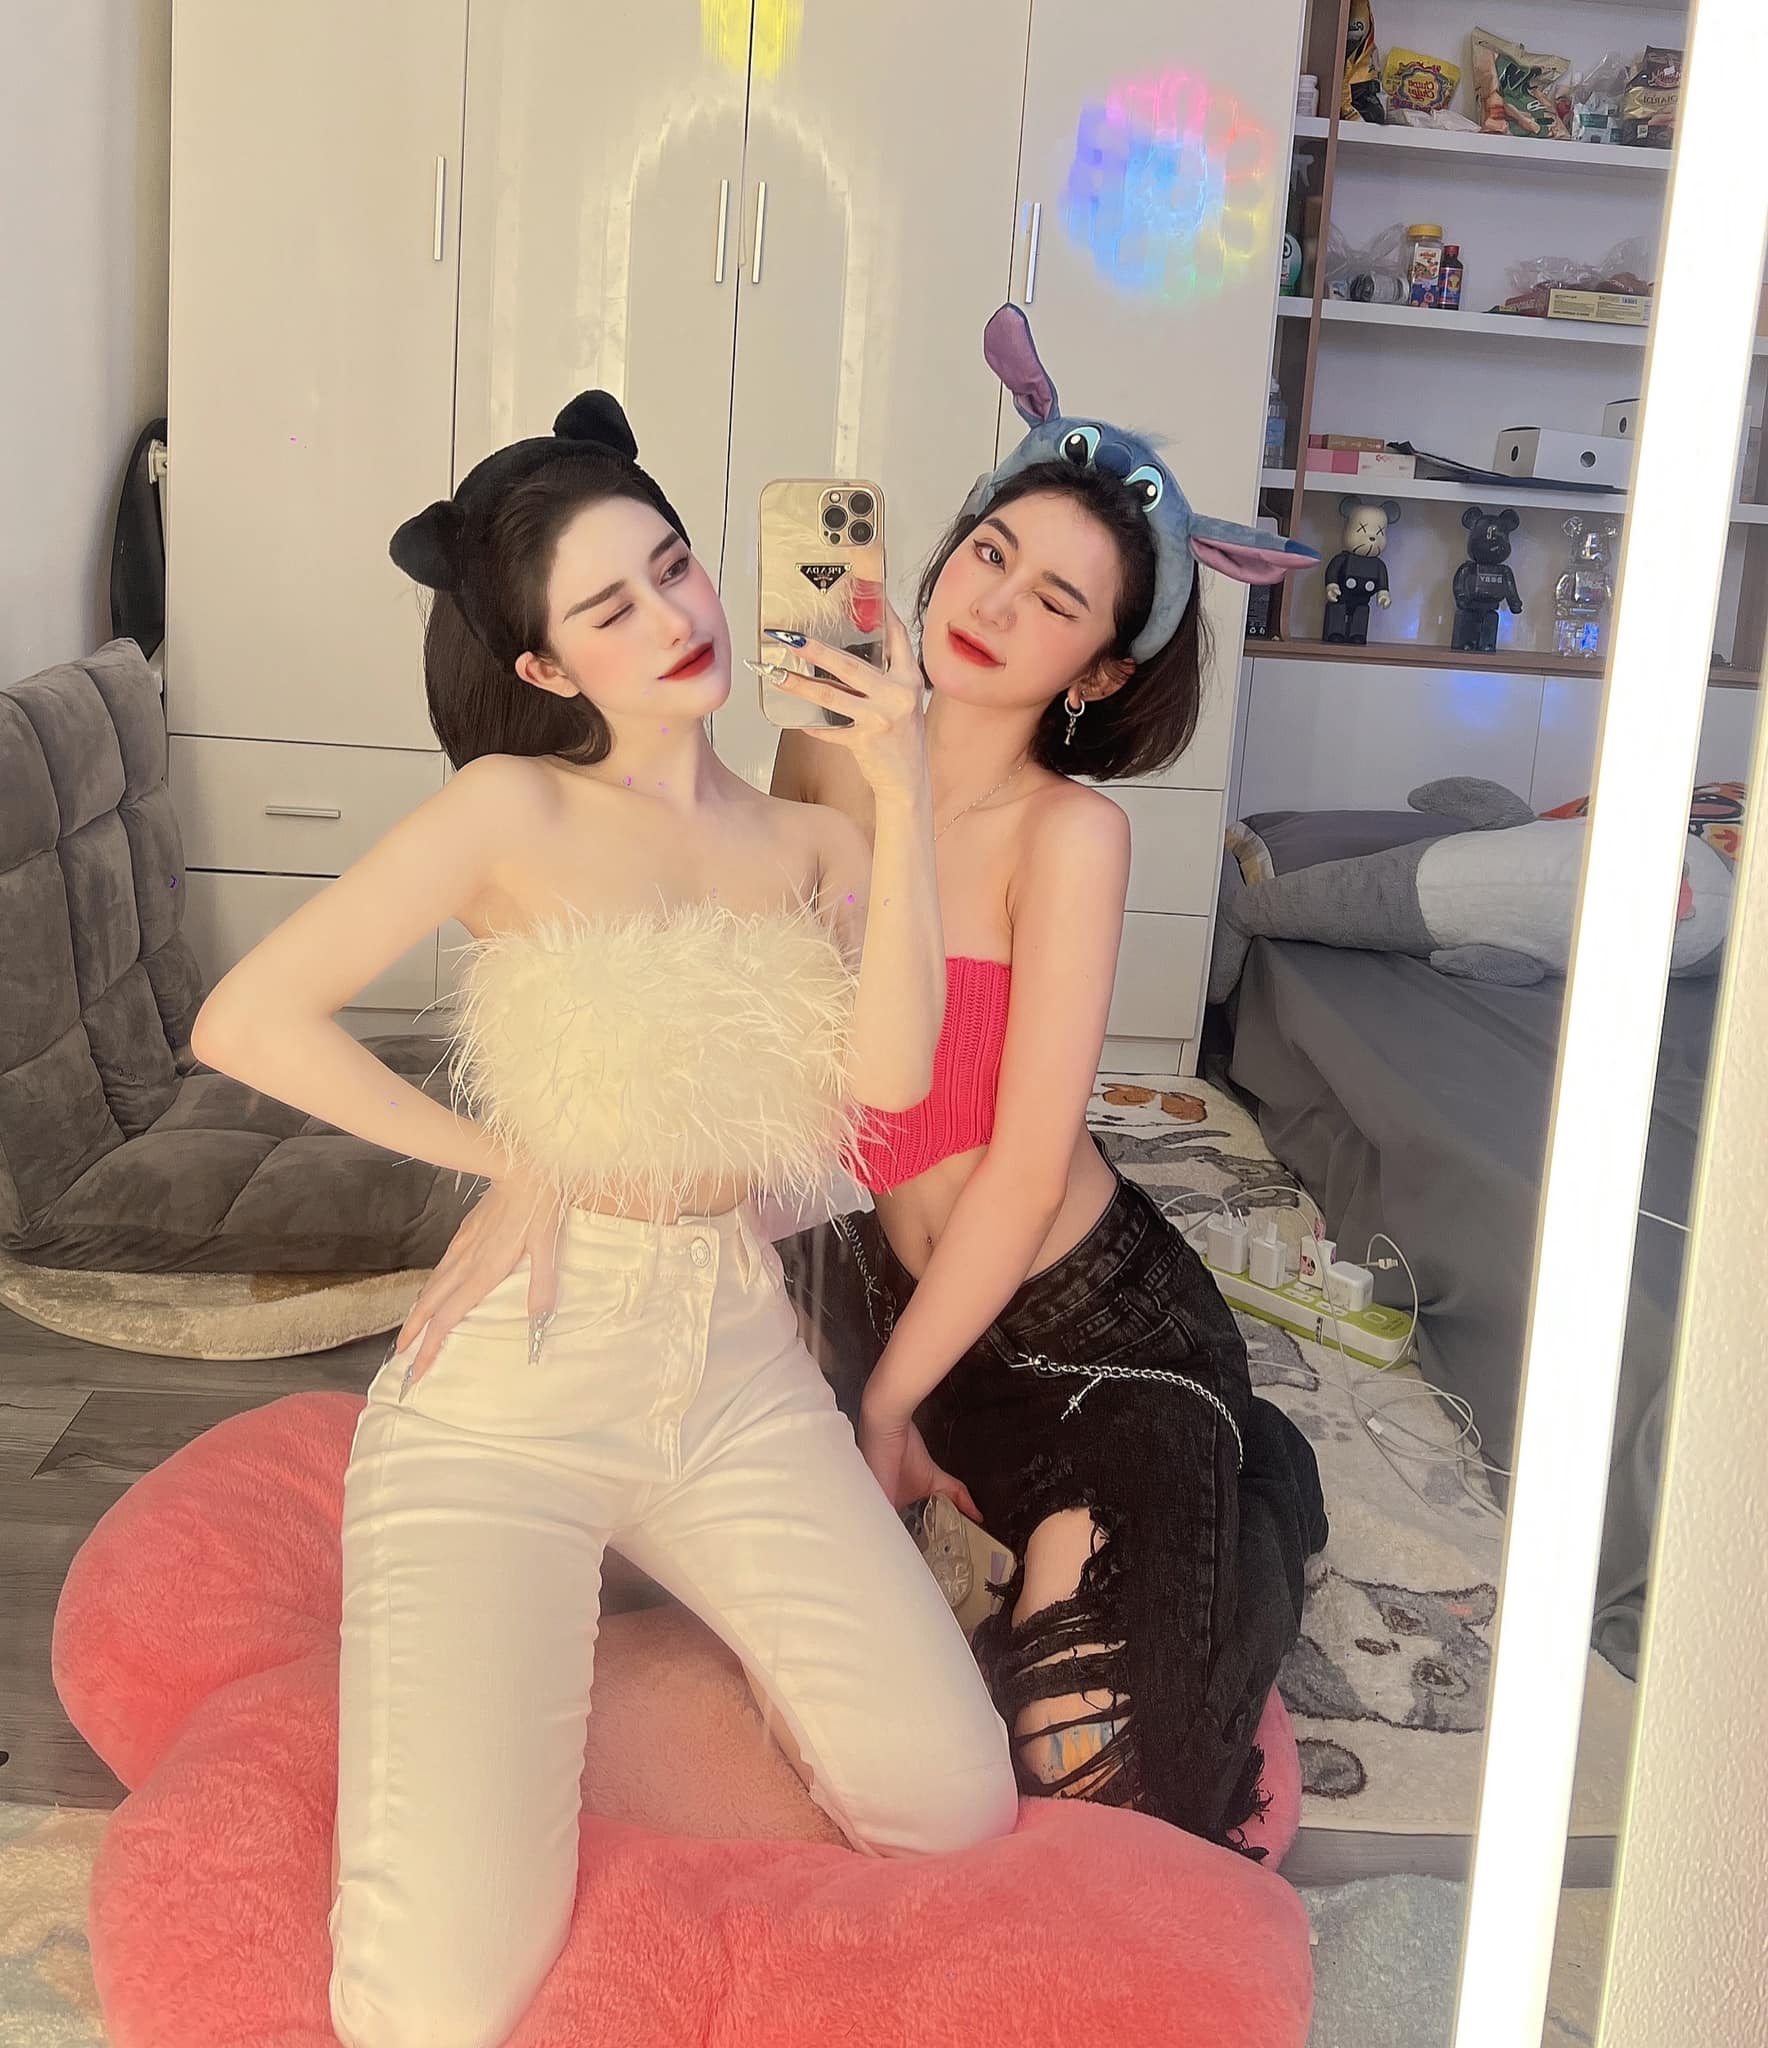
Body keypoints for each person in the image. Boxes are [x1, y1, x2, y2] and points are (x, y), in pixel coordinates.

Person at [188, 392, 1015, 2048]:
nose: (673, 617)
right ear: (546, 665)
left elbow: (893, 1077)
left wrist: (902, 788)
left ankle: (533, 1710)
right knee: (434, 2007)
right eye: (609, 608)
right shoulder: (513, 809)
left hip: (736, 1369)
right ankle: (473, 1709)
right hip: (516, 1387)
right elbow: (248, 1020)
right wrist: (515, 1160)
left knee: (952, 1805)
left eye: (675, 566)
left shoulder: (811, 838)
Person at [768, 307, 1329, 1853]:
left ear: (1101, 666)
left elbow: (1021, 1171)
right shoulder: (819, 755)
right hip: (883, 1289)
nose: (999, 603)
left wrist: (888, 1406)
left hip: (1095, 1335)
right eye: (991, 553)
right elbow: (753, 1005)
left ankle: (1253, 1484)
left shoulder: (1072, 837)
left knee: (1086, 1764)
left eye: (1059, 599)